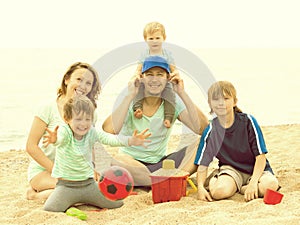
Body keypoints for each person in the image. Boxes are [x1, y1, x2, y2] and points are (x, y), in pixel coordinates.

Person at [102, 55, 209, 186]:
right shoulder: (132, 100)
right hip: (132, 162)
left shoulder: (173, 103)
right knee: (118, 160)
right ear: (142, 78)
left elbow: (204, 129)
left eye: (160, 74)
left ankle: (168, 180)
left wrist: (182, 93)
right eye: (150, 74)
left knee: (202, 142)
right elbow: (109, 129)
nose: (154, 79)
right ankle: (163, 182)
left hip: (161, 165)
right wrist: (129, 95)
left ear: (167, 79)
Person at [43, 95, 151, 212]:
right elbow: (60, 139)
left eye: (87, 119)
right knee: (50, 209)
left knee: (117, 204)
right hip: (66, 186)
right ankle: (36, 195)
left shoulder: (91, 132)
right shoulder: (65, 131)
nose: (83, 124)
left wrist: (131, 140)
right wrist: (54, 140)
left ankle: (83, 199)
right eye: (78, 119)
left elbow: (110, 139)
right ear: (66, 119)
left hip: (89, 185)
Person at [26, 62, 101, 200]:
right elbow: (31, 146)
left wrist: (96, 167)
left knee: (90, 190)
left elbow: (91, 144)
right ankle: (33, 195)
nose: (83, 86)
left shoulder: (91, 113)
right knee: (71, 191)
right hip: (44, 170)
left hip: (74, 170)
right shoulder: (48, 108)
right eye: (79, 79)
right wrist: (56, 171)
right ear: (67, 79)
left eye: (88, 83)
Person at [194, 81, 279, 202]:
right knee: (219, 192)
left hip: (255, 169)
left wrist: (253, 182)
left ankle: (244, 188)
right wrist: (201, 188)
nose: (221, 103)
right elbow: (203, 164)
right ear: (210, 103)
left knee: (270, 186)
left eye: (226, 98)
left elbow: (261, 157)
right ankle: (217, 179)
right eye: (216, 99)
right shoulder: (211, 131)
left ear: (234, 101)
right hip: (231, 171)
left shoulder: (248, 122)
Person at [133, 21, 179, 128]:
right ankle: (138, 109)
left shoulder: (167, 54)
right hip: (147, 81)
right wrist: (136, 76)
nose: (154, 41)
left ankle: (168, 117)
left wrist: (175, 76)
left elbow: (174, 69)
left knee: (170, 96)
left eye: (157, 38)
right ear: (145, 39)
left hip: (164, 82)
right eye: (151, 38)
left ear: (164, 38)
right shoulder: (145, 53)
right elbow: (139, 69)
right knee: (138, 91)